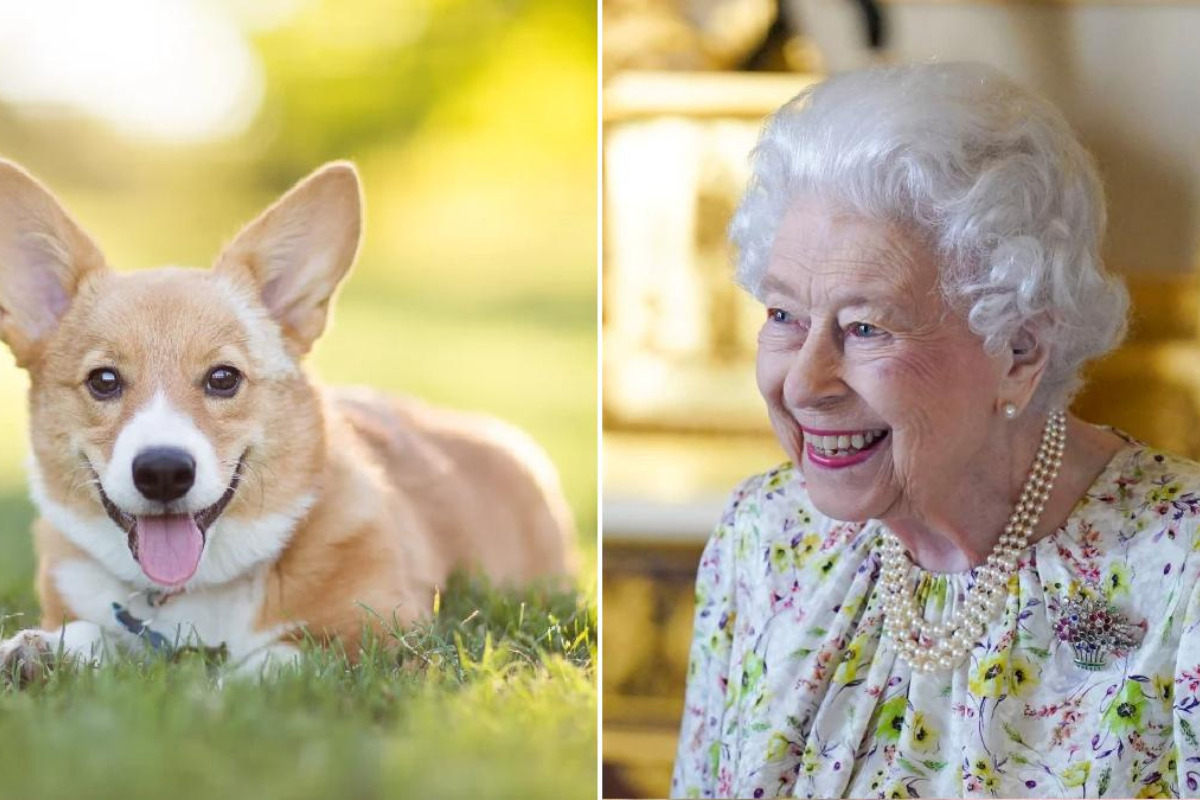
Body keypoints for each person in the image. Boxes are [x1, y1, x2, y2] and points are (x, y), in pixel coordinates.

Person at [672, 62, 1200, 799]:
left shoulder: (1181, 574)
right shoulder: (764, 540)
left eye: (865, 328)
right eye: (785, 316)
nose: (802, 382)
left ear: (1018, 352)